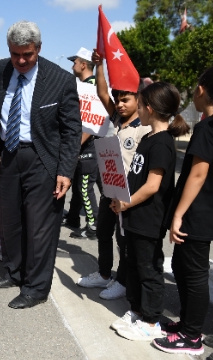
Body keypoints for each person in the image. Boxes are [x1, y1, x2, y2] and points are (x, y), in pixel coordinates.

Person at [0, 21, 82, 309]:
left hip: (43, 158)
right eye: (15, 54)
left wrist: (65, 171)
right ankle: (16, 272)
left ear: (39, 49)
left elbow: (72, 130)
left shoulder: (60, 79)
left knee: (40, 227)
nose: (20, 61)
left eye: (27, 55)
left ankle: (35, 287)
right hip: (8, 156)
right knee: (10, 221)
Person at [152, 66, 213, 355]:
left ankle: (191, 335)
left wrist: (177, 214)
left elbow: (198, 174)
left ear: (201, 90)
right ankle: (186, 324)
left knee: (194, 273)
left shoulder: (209, 127)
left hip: (197, 213)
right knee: (183, 268)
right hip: (211, 211)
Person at [109, 81, 190, 341]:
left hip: (148, 218)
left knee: (148, 269)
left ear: (150, 108)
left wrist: (126, 202)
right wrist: (120, 198)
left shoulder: (163, 143)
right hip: (134, 216)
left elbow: (153, 185)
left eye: (140, 104)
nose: (138, 110)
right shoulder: (148, 138)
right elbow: (136, 176)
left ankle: (151, 320)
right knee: (132, 264)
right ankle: (136, 310)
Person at [75, 49, 151, 301]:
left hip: (129, 195)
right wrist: (100, 66)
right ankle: (105, 273)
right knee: (103, 233)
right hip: (110, 189)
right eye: (118, 100)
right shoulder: (117, 119)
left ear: (138, 101)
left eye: (125, 100)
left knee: (123, 241)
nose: (119, 104)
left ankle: (123, 280)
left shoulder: (145, 128)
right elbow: (101, 92)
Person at [64, 47, 100, 240]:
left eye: (75, 62)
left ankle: (94, 226)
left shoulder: (91, 87)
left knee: (85, 187)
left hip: (88, 147)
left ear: (84, 64)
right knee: (79, 185)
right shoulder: (85, 85)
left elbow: (90, 123)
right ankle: (73, 218)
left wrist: (74, 146)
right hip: (83, 147)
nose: (72, 66)